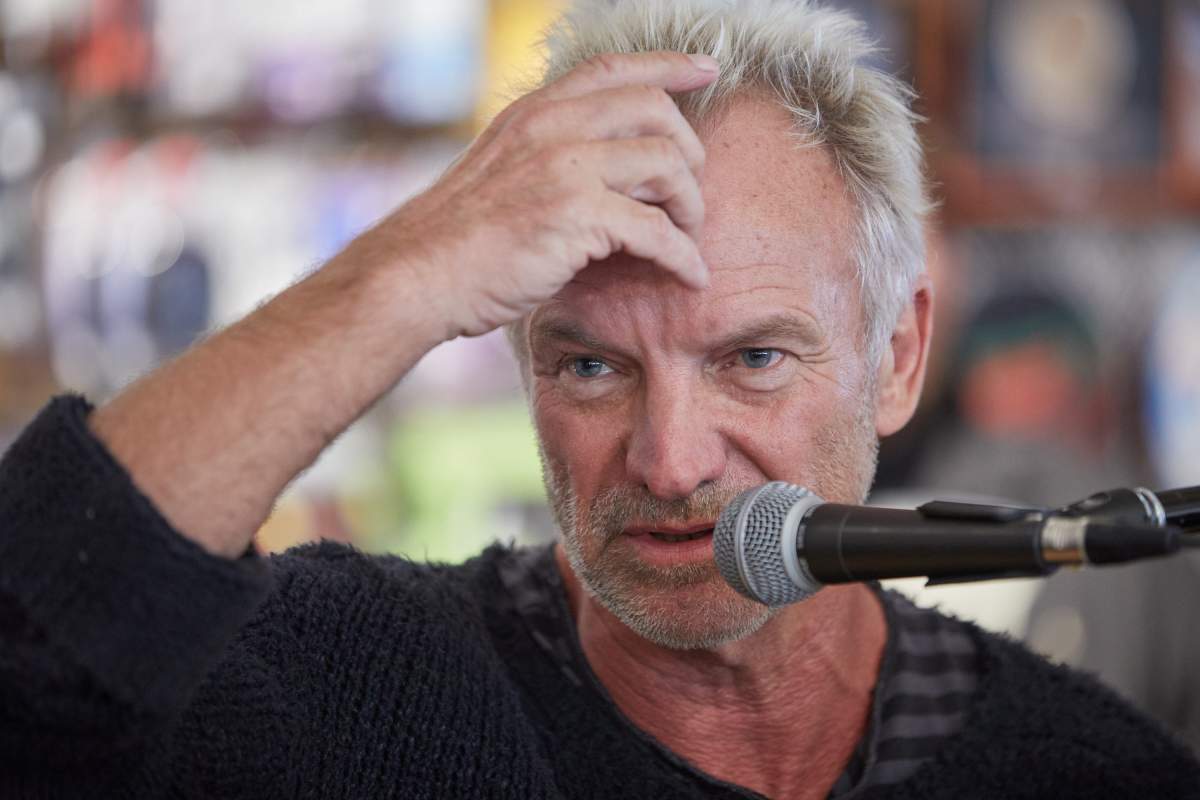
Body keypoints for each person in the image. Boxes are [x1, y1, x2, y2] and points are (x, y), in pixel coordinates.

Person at [2, 1, 1196, 798]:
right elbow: (33, 675)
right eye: (592, 366)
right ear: (519, 355)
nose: (671, 462)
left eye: (752, 359)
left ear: (897, 356)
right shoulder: (361, 687)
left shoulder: (1078, 762)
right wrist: (404, 271)